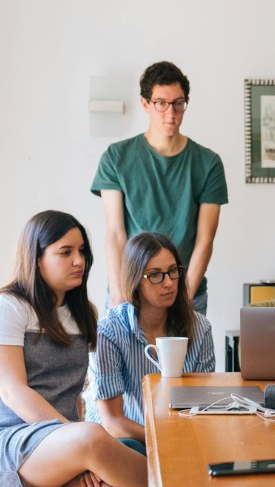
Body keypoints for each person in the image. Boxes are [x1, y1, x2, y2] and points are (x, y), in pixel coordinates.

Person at [0, 211, 146, 487]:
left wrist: (76, 449)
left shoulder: (82, 314)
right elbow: (14, 393)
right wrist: (77, 442)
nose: (79, 261)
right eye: (65, 252)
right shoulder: (4, 308)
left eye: (82, 251)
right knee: (93, 434)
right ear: (36, 257)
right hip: (0, 451)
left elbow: (73, 394)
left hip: (62, 446)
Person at [92, 61, 228, 314]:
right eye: (161, 103)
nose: (170, 113)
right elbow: (115, 234)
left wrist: (184, 300)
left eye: (178, 103)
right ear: (145, 103)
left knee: (186, 356)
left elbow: (205, 240)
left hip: (186, 293)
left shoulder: (208, 163)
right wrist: (120, 296)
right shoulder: (116, 158)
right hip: (131, 293)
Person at [85, 232, 215, 455]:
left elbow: (202, 406)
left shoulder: (200, 327)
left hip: (179, 435)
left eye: (173, 271)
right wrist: (163, 438)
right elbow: (113, 422)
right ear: (135, 280)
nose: (168, 283)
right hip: (124, 439)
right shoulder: (109, 330)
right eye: (155, 275)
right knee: (132, 449)